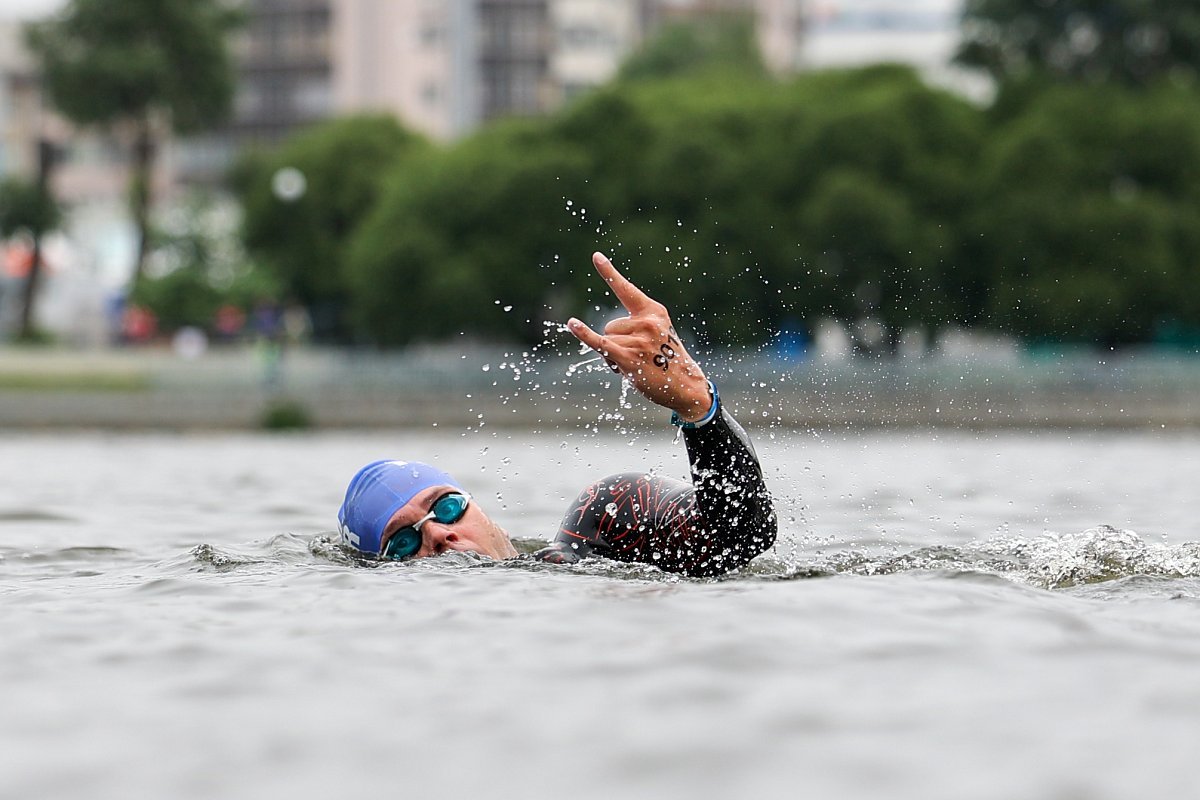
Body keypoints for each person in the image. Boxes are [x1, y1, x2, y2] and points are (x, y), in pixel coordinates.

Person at [338, 252, 777, 577]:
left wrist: (700, 412)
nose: (438, 535)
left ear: (478, 508)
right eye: (403, 542)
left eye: (447, 507)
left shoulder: (603, 521)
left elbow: (741, 539)